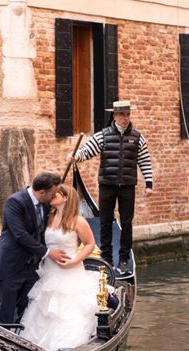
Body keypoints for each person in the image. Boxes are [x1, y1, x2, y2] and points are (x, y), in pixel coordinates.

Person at [67, 99, 154, 276]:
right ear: (114, 115)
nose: (125, 118)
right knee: (105, 222)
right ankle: (106, 258)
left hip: (127, 186)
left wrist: (149, 183)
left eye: (127, 114)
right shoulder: (103, 135)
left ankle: (123, 259)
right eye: (122, 114)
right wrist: (76, 156)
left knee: (127, 223)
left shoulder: (137, 137)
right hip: (107, 184)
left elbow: (144, 161)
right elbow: (87, 151)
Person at [20, 184, 99, 351]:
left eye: (56, 193)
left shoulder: (78, 220)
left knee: (67, 310)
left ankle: (65, 347)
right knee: (46, 309)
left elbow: (90, 244)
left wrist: (75, 260)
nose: (52, 195)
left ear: (65, 198)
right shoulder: (49, 217)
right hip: (49, 271)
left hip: (70, 270)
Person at [0, 172, 69, 326]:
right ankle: (0, 346)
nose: (54, 196)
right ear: (42, 192)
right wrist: (48, 253)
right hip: (11, 266)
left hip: (32, 267)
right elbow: (20, 234)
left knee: (27, 312)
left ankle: (22, 343)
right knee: (6, 313)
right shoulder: (15, 202)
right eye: (52, 193)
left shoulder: (46, 204)